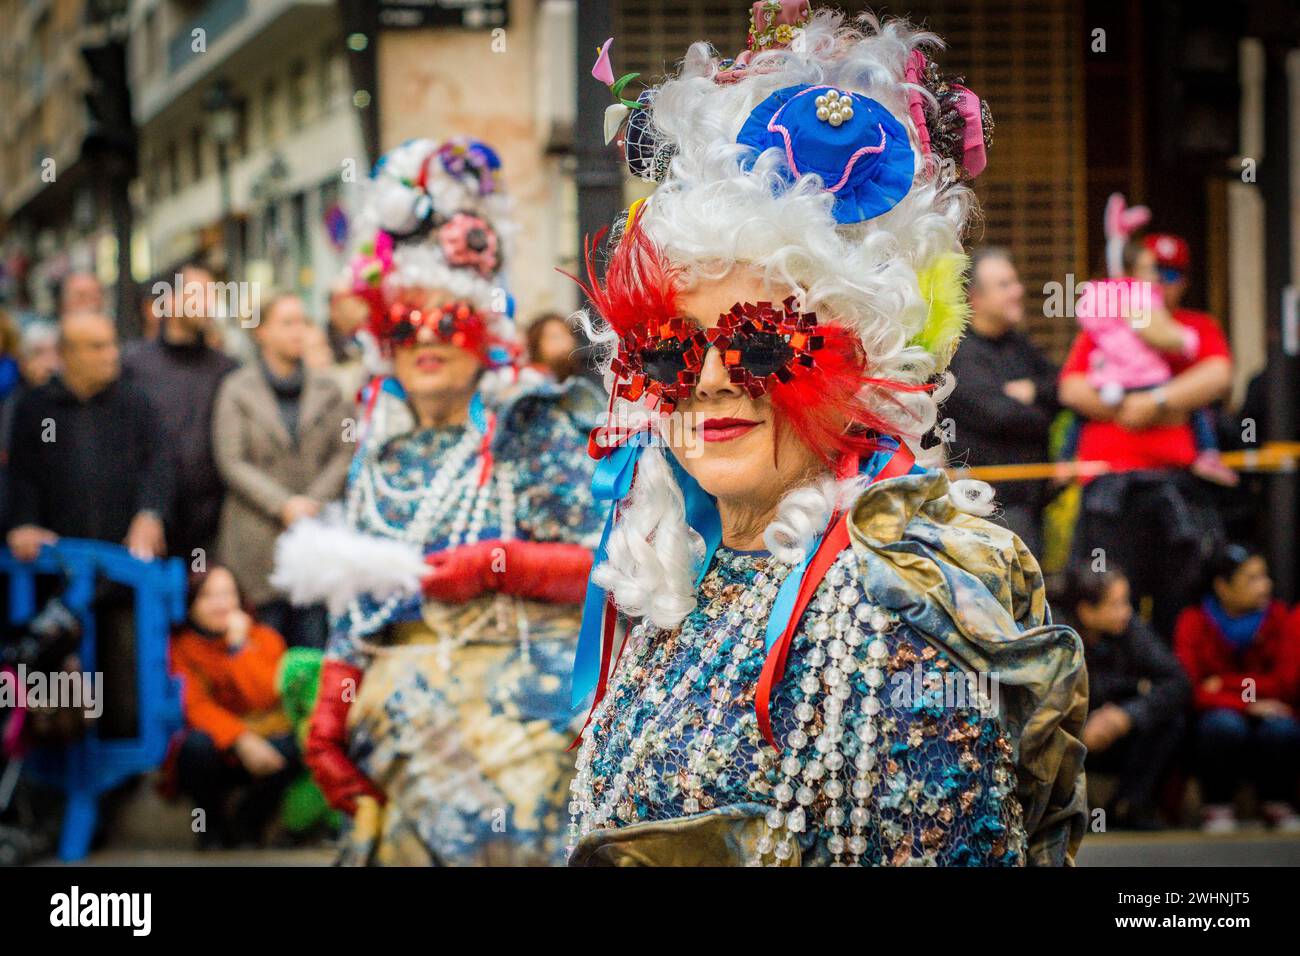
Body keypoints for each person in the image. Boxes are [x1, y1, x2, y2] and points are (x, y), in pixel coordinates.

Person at [565, 4, 1086, 867]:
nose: (708, 379)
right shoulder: (668, 579)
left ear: (860, 361)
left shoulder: (900, 611)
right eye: (672, 348)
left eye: (762, 343)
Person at [273, 137, 606, 866]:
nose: (424, 340)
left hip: (518, 717)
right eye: (402, 324)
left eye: (445, 320)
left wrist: (500, 566)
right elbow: (358, 599)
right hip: (394, 718)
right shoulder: (377, 446)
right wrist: (334, 699)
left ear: (482, 331)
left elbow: (608, 568)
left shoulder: (531, 421)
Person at [1059, 230, 1232, 641]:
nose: (1159, 284)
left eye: (1170, 275)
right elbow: (1072, 387)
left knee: (1179, 599)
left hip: (1174, 488)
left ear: (1184, 282)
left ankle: (1170, 694)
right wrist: (1136, 408)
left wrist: (1155, 399)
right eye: (1151, 274)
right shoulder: (1108, 325)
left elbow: (1217, 377)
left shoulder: (1194, 327)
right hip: (1110, 490)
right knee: (1110, 600)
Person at [212, 291, 352, 649]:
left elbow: (346, 450)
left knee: (314, 648)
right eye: (286, 323)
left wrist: (312, 502)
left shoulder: (329, 389)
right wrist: (283, 504)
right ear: (262, 332)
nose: (298, 331)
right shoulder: (236, 389)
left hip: (315, 539)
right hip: (257, 542)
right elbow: (231, 460)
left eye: (303, 322)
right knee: (264, 652)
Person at [4, 312, 170, 560]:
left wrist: (151, 513)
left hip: (126, 563)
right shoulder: (35, 408)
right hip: (57, 565)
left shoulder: (135, 403)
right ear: (66, 353)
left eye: (113, 344)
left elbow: (158, 464)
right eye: (97, 347)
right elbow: (22, 474)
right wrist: (24, 522)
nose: (111, 355)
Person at [170, 566, 301, 848]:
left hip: (264, 747)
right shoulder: (180, 648)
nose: (220, 605)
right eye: (207, 596)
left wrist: (238, 649)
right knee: (194, 747)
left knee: (296, 745)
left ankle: (249, 823)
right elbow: (195, 707)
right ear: (191, 605)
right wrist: (240, 739)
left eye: (227, 594)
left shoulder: (265, 639)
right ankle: (211, 827)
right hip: (218, 752)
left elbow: (267, 699)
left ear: (240, 600)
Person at [1173, 544, 1300, 832]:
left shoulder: (1279, 617)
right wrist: (1247, 704)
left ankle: (1276, 802)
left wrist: (1226, 685)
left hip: (1265, 713)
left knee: (1282, 728)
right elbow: (1189, 688)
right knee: (1223, 727)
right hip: (1218, 721)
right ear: (1222, 587)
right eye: (1252, 579)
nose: (1265, 586)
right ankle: (1217, 805)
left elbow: (1285, 682)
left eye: (1264, 576)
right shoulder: (1194, 621)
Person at [944, 247, 1059, 553]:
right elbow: (1001, 416)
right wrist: (1040, 409)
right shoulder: (961, 353)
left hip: (1032, 503)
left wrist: (1032, 391)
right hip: (990, 508)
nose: (1018, 291)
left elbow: (1060, 388)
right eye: (1005, 285)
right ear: (976, 298)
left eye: (1015, 281)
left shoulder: (1018, 345)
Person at [122, 261, 238, 564]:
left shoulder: (227, 369)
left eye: (213, 295)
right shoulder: (133, 366)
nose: (208, 304)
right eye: (197, 294)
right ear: (169, 300)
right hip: (147, 523)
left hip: (213, 526)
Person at [1060, 566, 1189, 830]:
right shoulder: (1056, 636)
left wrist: (1127, 715)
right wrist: (1079, 729)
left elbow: (1178, 682)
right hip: (1068, 738)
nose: (1126, 611)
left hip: (1113, 737)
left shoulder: (1130, 629)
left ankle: (1128, 805)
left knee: (1170, 720)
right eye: (1116, 604)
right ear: (1086, 611)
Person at [525, 312, 582, 383]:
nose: (567, 341)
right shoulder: (530, 378)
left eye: (568, 334)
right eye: (555, 336)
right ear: (537, 343)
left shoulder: (579, 377)